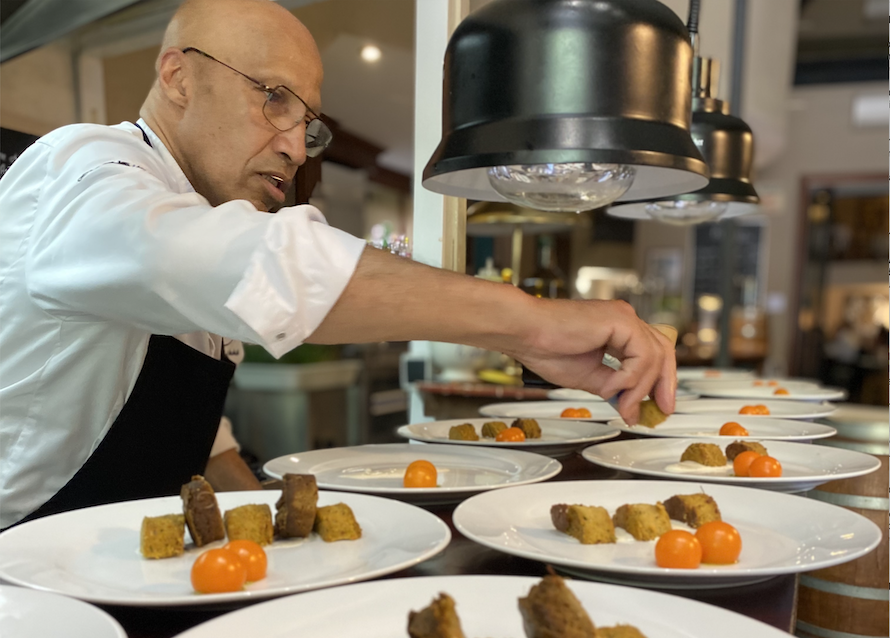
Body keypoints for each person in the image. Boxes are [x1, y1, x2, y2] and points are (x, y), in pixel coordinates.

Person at [0, 0, 676, 530]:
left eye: (308, 123)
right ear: (177, 76)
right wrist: (532, 325)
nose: (295, 147)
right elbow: (265, 268)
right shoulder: (84, 167)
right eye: (273, 98)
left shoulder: (196, 211)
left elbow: (197, 440)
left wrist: (287, 533)